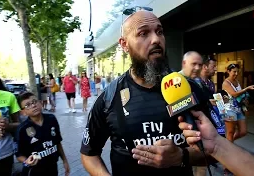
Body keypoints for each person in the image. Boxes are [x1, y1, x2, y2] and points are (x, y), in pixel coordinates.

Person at [80, 10, 214, 176]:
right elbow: (89, 153)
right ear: (124, 44)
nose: (156, 39)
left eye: (159, 32)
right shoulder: (109, 97)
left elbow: (216, 150)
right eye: (143, 33)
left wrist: (181, 156)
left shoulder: (190, 88)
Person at [178, 110, 254, 176]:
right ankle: (227, 165)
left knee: (240, 131)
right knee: (229, 133)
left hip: (236, 109)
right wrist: (216, 144)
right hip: (228, 112)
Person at [15, 92, 70, 176]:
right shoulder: (22, 129)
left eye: (34, 101)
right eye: (28, 105)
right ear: (23, 112)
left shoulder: (51, 119)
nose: (33, 106)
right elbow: (19, 155)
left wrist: (65, 161)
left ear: (40, 102)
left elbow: (58, 142)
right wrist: (27, 161)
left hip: (53, 167)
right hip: (34, 170)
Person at [222, 64, 254, 142]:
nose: (236, 74)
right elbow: (234, 94)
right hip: (229, 110)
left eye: (237, 72)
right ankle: (230, 148)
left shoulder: (237, 81)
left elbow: (240, 96)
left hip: (239, 109)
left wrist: (245, 107)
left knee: (243, 132)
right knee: (230, 132)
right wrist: (247, 88)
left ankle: (227, 143)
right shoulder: (225, 83)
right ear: (228, 71)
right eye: (234, 72)